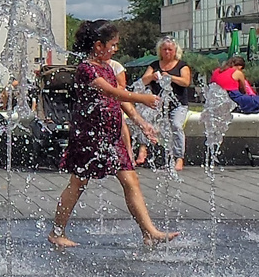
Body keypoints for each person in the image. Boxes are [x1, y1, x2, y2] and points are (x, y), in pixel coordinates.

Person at [48, 20, 180, 248]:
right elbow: (109, 91)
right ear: (98, 46)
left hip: (111, 135)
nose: (116, 49)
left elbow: (118, 98)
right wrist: (143, 98)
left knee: (131, 179)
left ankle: (149, 232)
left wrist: (141, 123)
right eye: (113, 44)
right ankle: (57, 232)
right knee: (78, 182)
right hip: (89, 137)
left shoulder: (108, 68)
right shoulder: (86, 69)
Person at [140, 39, 198, 171]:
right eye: (164, 49)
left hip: (178, 104)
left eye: (170, 49)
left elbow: (186, 82)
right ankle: (142, 150)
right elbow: (143, 80)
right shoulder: (154, 65)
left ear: (175, 51)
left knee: (176, 125)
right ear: (160, 50)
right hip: (157, 103)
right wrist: (151, 77)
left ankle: (179, 157)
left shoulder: (182, 66)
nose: (167, 52)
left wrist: (170, 77)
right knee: (144, 119)